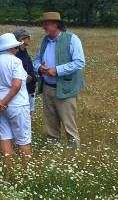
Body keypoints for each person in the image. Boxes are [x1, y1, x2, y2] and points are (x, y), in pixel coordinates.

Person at [34, 12, 85, 149]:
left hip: (65, 89)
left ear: (56, 24)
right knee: (51, 124)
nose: (43, 27)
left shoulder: (72, 39)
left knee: (69, 126)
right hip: (47, 87)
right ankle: (54, 152)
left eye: (46, 24)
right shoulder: (45, 40)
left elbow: (79, 62)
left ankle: (74, 154)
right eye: (43, 24)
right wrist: (40, 68)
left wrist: (56, 70)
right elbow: (37, 59)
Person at [0, 33, 32, 162]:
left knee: (5, 137)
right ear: (12, 48)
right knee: (23, 139)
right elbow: (16, 86)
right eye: (16, 48)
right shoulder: (16, 62)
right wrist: (3, 102)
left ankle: (9, 169)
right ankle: (26, 170)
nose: (16, 50)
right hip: (17, 105)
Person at [14, 28, 37, 115]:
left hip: (30, 88)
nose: (30, 39)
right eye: (28, 37)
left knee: (28, 114)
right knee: (23, 114)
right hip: (22, 89)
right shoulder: (16, 53)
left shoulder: (24, 51)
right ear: (22, 39)